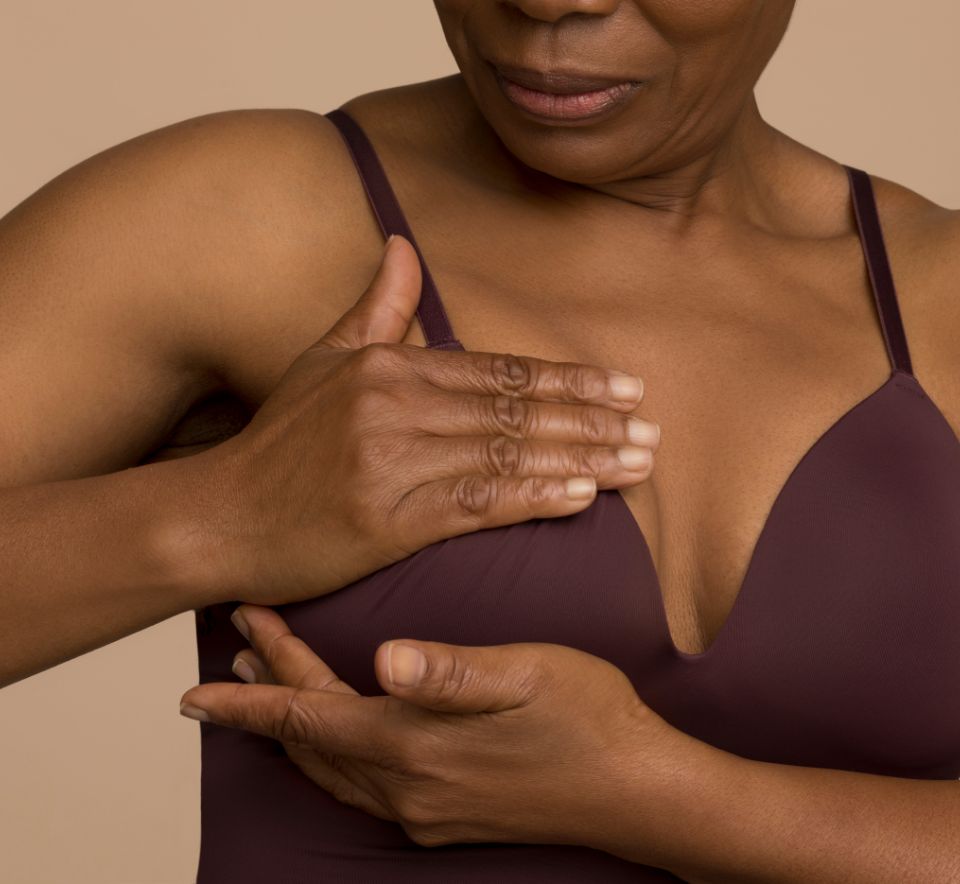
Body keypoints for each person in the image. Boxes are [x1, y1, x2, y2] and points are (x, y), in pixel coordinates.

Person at [2, 0, 959, 881]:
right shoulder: (248, 215)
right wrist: (220, 517)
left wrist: (648, 795)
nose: (547, 1)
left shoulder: (939, 292)